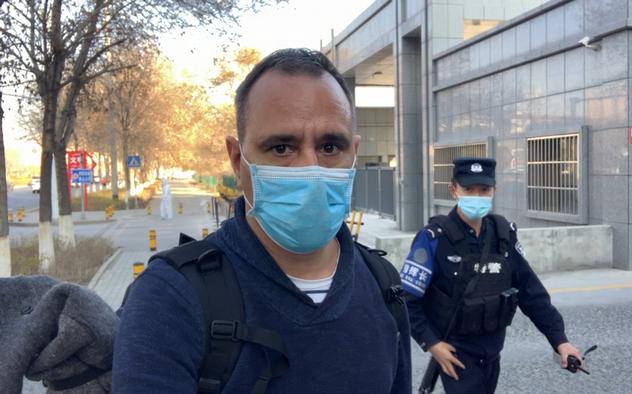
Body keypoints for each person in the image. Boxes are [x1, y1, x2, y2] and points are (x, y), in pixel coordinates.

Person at [113, 48, 411, 393]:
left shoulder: (383, 284)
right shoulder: (170, 298)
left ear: (353, 152)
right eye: (282, 148)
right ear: (237, 159)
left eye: (330, 147)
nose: (310, 170)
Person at [400, 157, 581, 394]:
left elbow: (530, 292)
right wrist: (432, 344)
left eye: (484, 189)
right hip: (456, 353)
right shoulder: (434, 238)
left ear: (494, 189)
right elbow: (406, 299)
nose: (476, 196)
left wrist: (560, 340)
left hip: (493, 351)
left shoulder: (503, 235)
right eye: (468, 189)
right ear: (454, 189)